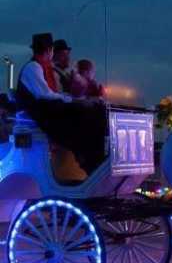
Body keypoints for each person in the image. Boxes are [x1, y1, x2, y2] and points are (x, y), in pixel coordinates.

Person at [17, 33, 107, 175]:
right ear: (49, 51)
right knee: (87, 114)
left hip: (49, 109)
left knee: (93, 111)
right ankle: (91, 160)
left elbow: (52, 95)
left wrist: (76, 100)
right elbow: (45, 95)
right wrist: (75, 100)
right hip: (44, 114)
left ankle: (96, 157)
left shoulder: (42, 67)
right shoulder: (33, 67)